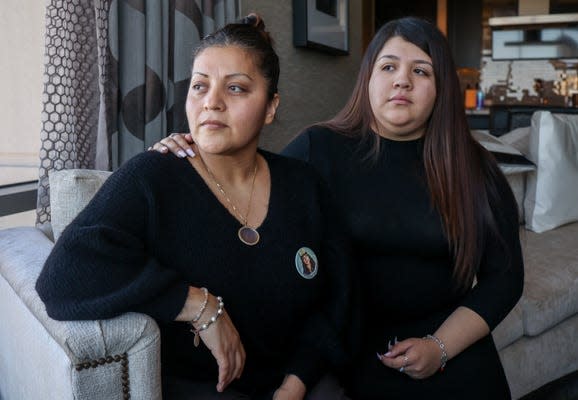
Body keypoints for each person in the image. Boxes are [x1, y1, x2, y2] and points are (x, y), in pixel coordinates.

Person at [150, 16, 524, 399]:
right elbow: (246, 189)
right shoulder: (320, 149)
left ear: (442, 86)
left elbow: (505, 277)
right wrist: (198, 149)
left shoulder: (474, 168)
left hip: (450, 341)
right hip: (346, 341)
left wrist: (439, 347)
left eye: (421, 71)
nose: (402, 81)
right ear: (368, 78)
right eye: (389, 66)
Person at [36, 14, 352, 400]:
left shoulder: (304, 184)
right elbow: (62, 278)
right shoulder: (153, 175)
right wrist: (198, 305)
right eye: (199, 86)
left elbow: (338, 297)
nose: (212, 103)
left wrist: (297, 382)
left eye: (236, 89)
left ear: (271, 107)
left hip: (303, 382)